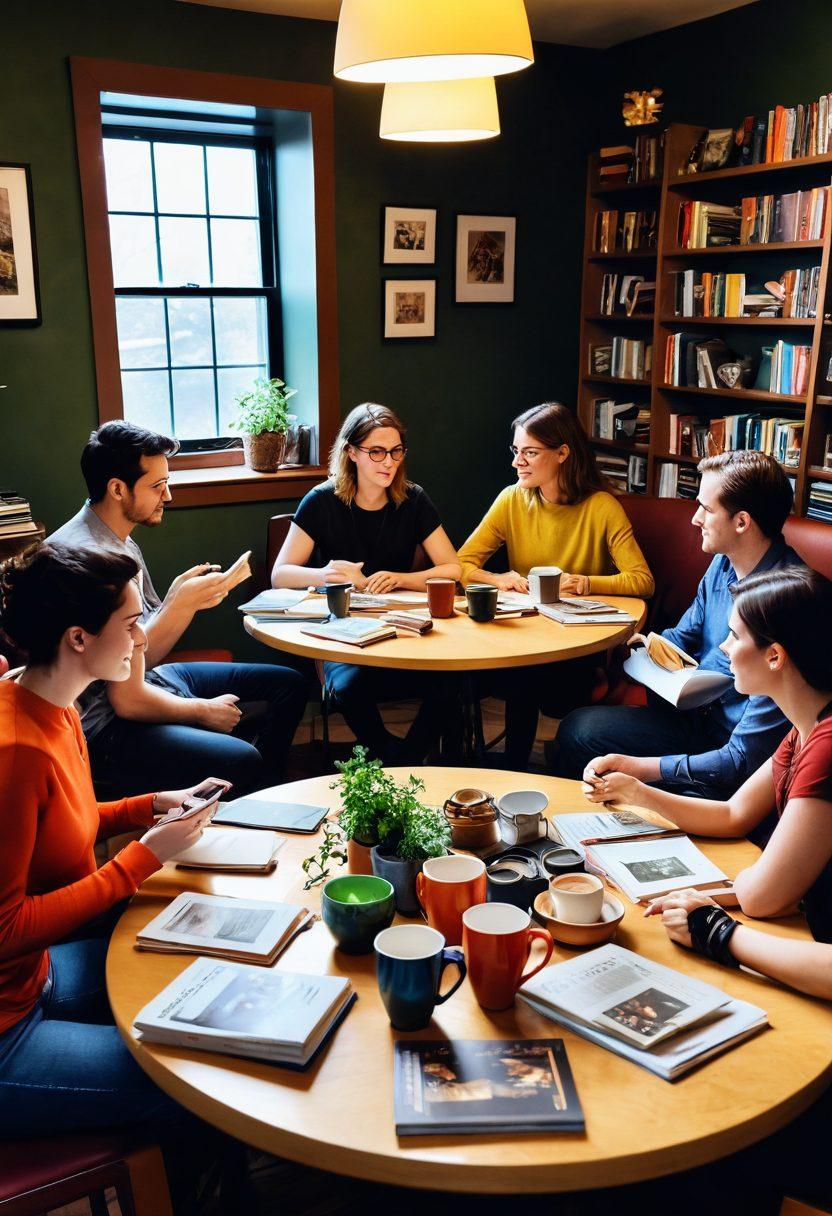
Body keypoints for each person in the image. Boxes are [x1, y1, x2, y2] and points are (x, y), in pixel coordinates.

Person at [0, 542, 221, 1135]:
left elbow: (66, 820)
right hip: (5, 1031)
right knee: (194, 1083)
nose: (141, 638)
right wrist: (142, 860)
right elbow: (5, 930)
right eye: (130, 625)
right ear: (78, 637)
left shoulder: (54, 702)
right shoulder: (14, 748)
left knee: (197, 984)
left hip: (36, 975)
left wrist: (150, 805)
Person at [50, 421, 307, 796]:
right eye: (157, 486)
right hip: (107, 726)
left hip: (142, 681)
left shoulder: (108, 535)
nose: (167, 495)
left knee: (288, 685)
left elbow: (141, 653)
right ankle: (245, 803)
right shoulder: (98, 561)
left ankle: (257, 797)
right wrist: (201, 710)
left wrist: (176, 600)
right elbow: (128, 698)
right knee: (242, 760)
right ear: (118, 489)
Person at [585, 567, 832, 943]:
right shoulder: (803, 728)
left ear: (774, 657)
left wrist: (742, 886)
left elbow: (761, 897)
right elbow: (735, 814)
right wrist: (636, 790)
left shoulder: (825, 744)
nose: (724, 648)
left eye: (734, 636)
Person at [552, 450, 803, 800]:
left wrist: (648, 769)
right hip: (693, 720)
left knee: (653, 781)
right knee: (579, 731)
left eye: (707, 509)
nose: (695, 519)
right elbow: (682, 637)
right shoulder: (722, 563)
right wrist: (648, 649)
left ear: (742, 522)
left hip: (735, 754)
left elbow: (744, 758)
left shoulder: (788, 602)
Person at [457, 402, 654, 769]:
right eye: (516, 451)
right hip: (523, 636)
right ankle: (494, 769)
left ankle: (527, 770)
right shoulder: (513, 499)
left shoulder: (601, 506)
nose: (518, 462)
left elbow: (641, 581)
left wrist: (583, 583)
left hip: (577, 648)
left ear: (563, 452)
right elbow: (462, 564)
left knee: (524, 676)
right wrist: (500, 578)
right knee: (499, 672)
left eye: (530, 452)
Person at [272, 402, 461, 763]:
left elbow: (453, 569)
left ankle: (405, 759)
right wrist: (327, 574)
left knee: (452, 682)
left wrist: (402, 578)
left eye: (396, 451)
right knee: (346, 688)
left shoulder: (413, 499)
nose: (389, 462)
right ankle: (391, 756)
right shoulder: (322, 500)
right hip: (347, 634)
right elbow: (281, 573)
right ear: (351, 452)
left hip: (406, 631)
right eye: (376, 452)